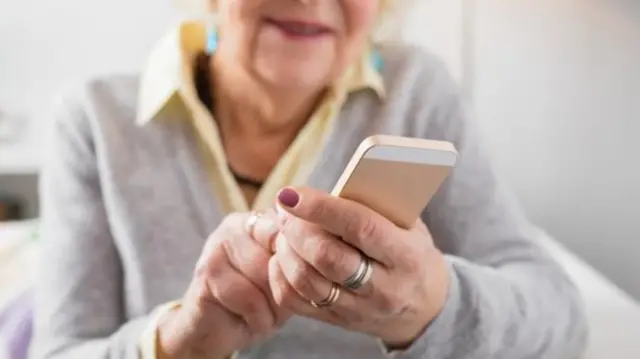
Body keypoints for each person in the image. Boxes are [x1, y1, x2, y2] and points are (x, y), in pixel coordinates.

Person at [33, 0, 589, 358]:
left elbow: (560, 316)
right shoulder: (94, 120)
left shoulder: (416, 92)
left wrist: (431, 304)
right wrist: (181, 343)